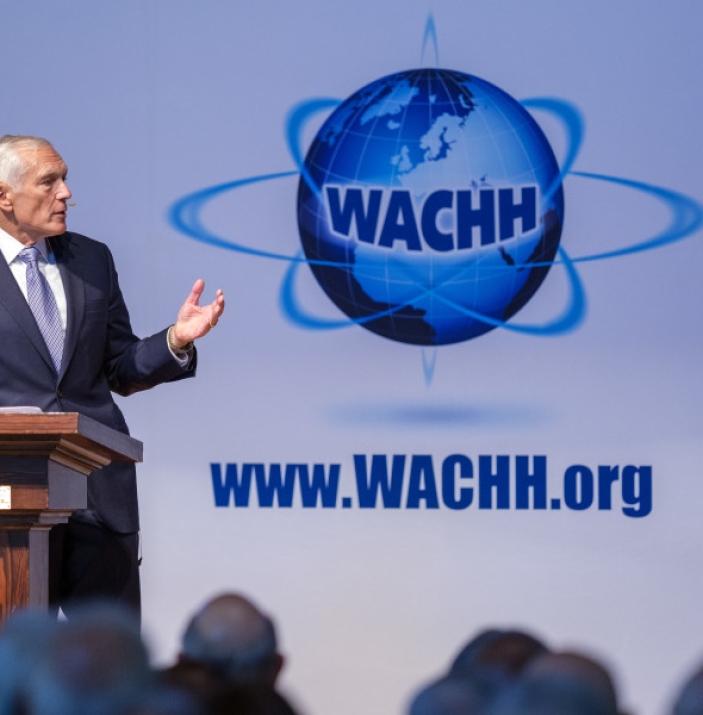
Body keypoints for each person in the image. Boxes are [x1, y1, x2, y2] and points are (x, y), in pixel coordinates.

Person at [0, 134, 225, 620]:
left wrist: (176, 341)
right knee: (17, 656)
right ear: (4, 196)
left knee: (109, 657)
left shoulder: (92, 259)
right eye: (48, 182)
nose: (66, 193)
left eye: (64, 179)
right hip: (11, 494)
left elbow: (118, 366)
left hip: (98, 493)